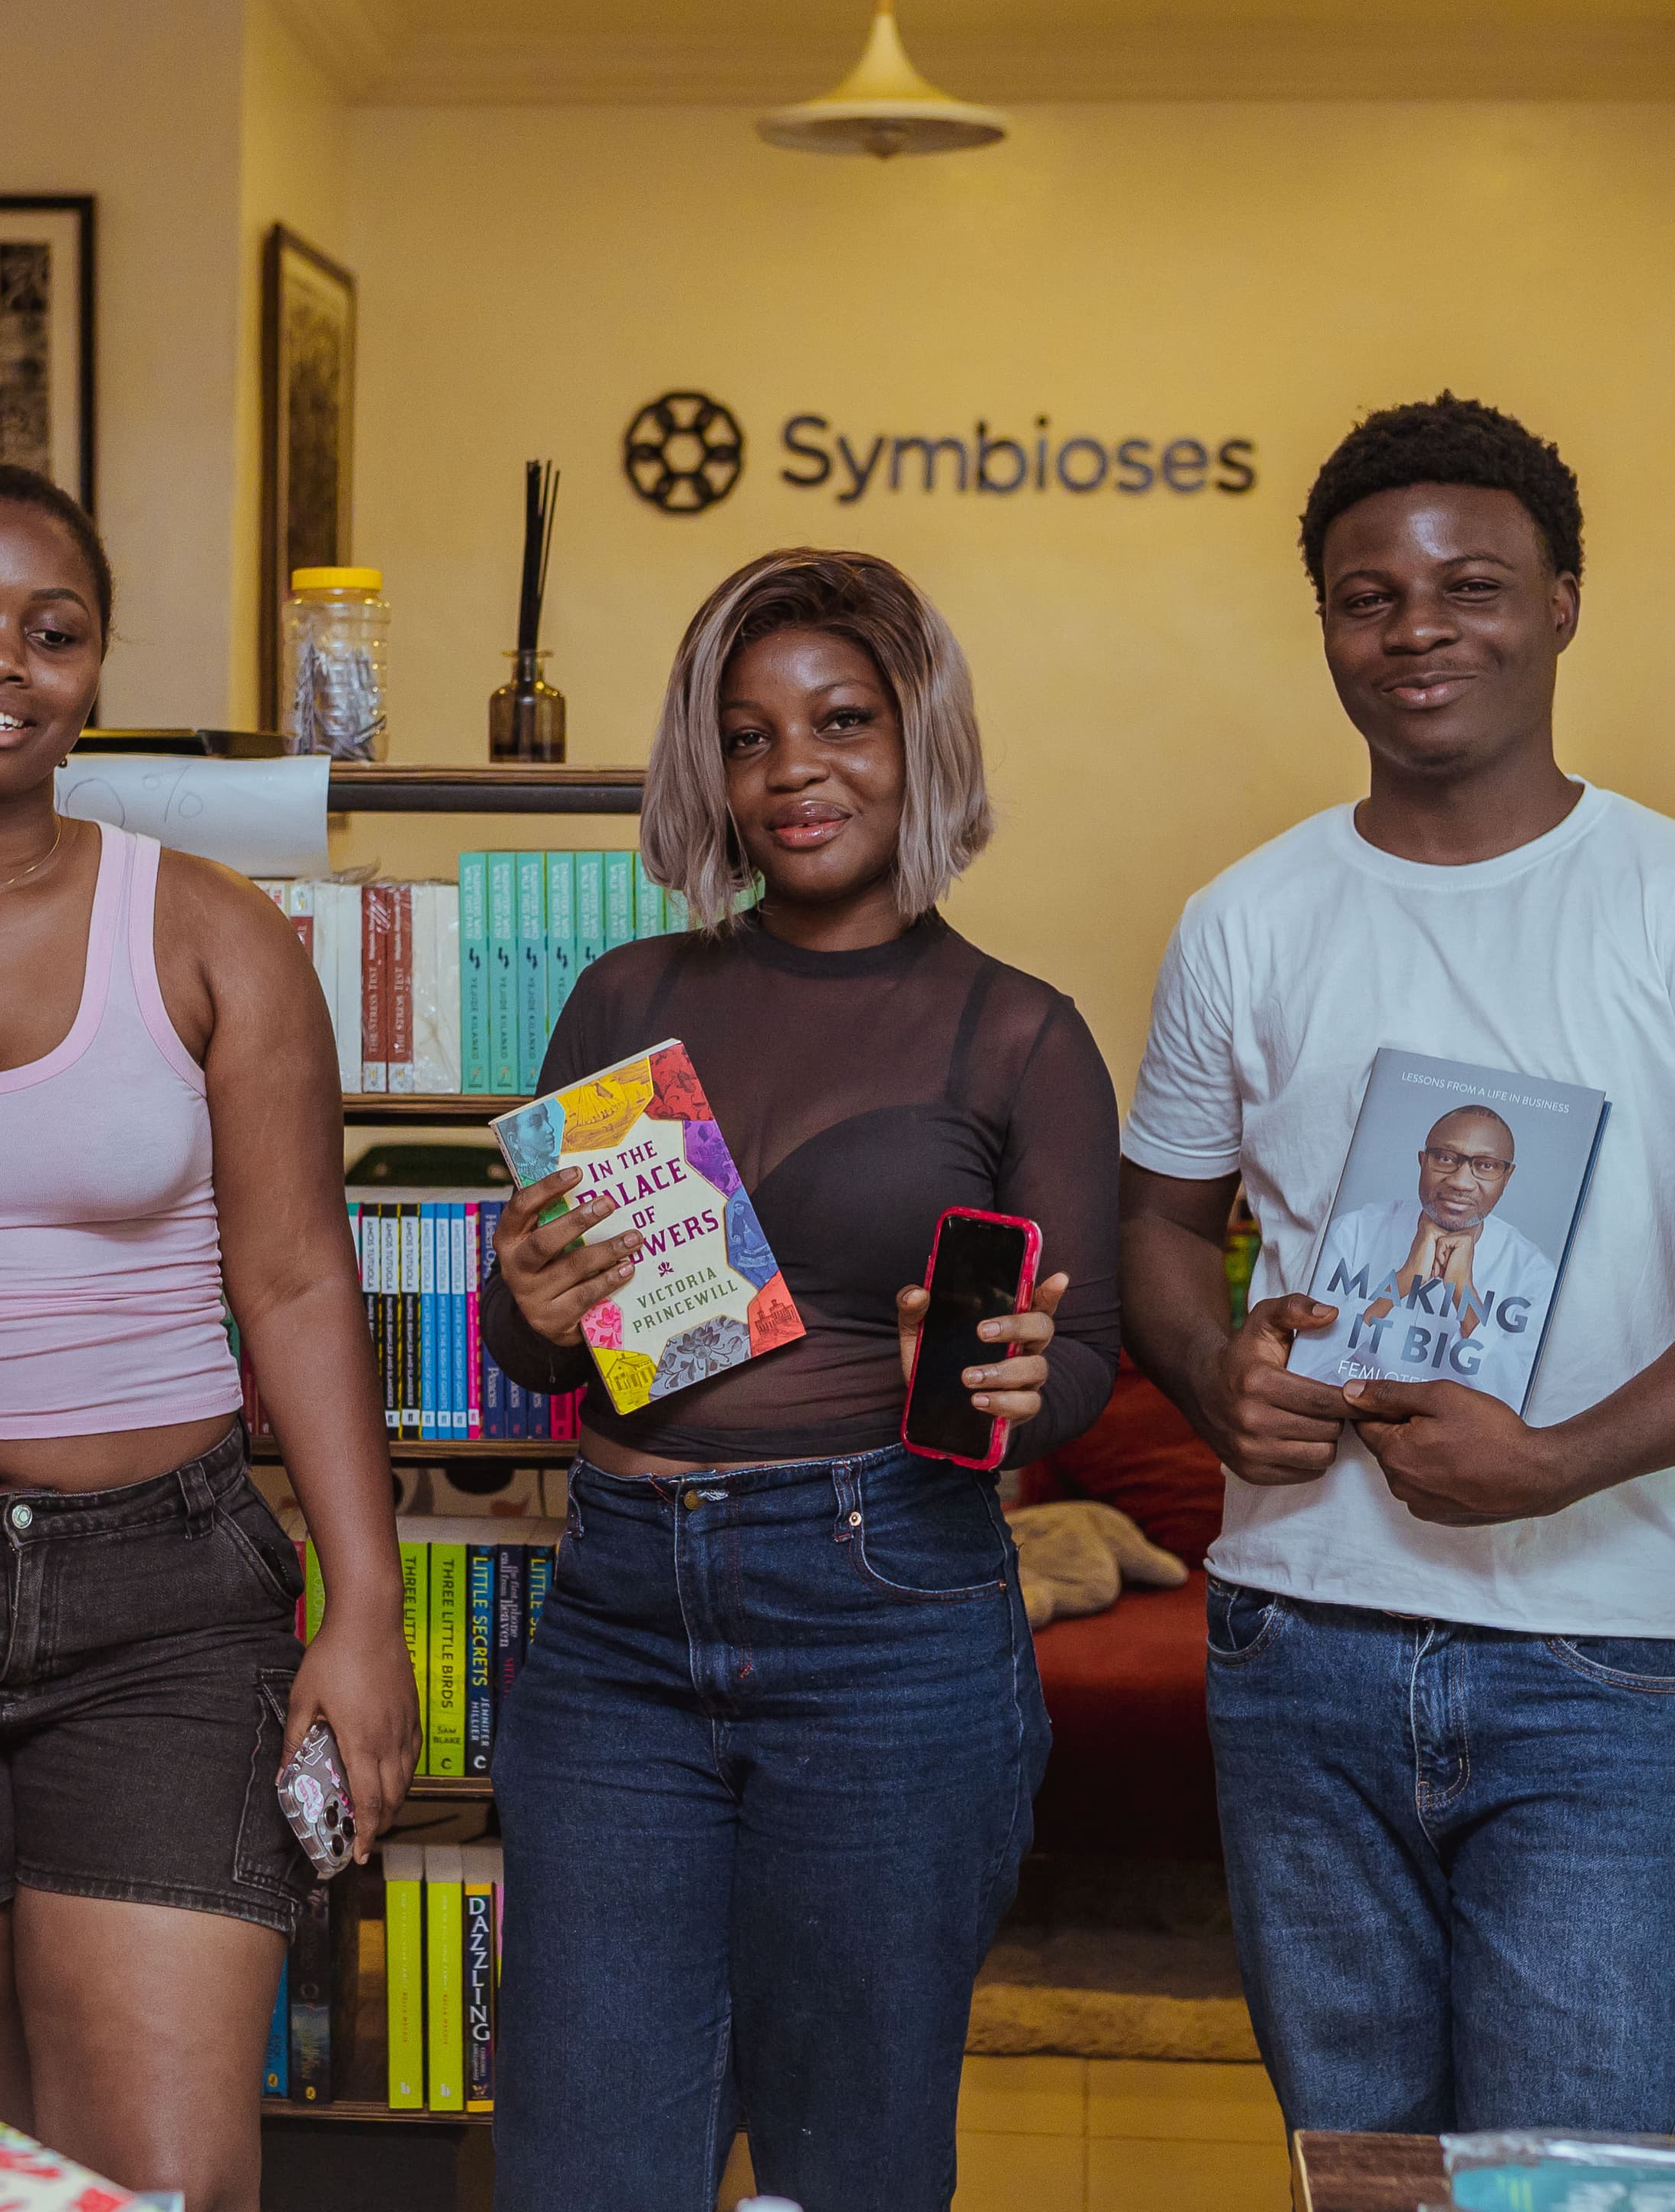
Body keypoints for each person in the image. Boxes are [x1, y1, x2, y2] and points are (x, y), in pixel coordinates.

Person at [1119, 394, 1675, 2136]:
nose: (1413, 628)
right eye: (1363, 593)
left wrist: (1555, 1457)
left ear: (1560, 601)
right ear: (1320, 621)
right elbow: (1154, 1228)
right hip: (1294, 1636)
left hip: (1590, 1654)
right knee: (1357, 2167)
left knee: (1560, 2176)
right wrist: (1211, 1368)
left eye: (1467, 583)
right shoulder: (1246, 915)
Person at [0, 462, 416, 2212]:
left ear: (93, 664)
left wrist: (365, 1604)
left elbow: (294, 1281)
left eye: (55, 630)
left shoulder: (208, 929)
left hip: (167, 1611)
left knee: (170, 2176)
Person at [480, 547, 1121, 2212]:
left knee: (853, 2159)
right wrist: (531, 1305)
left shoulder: (1022, 1035)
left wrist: (996, 1388)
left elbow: (1082, 1374)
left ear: (920, 745)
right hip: (619, 1619)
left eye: (842, 722)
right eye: (750, 736)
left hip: (887, 1613)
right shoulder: (628, 996)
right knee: (583, 2161)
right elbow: (530, 1346)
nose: (794, 772)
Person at [1303, 1104, 1557, 1410]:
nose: (1461, 1182)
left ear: (1507, 1176)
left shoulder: (1534, 1272)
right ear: (1423, 1161)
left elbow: (1519, 1406)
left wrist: (1463, 1295)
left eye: (1486, 1165)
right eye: (1446, 1159)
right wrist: (1398, 1285)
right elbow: (1302, 1369)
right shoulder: (1352, 1232)